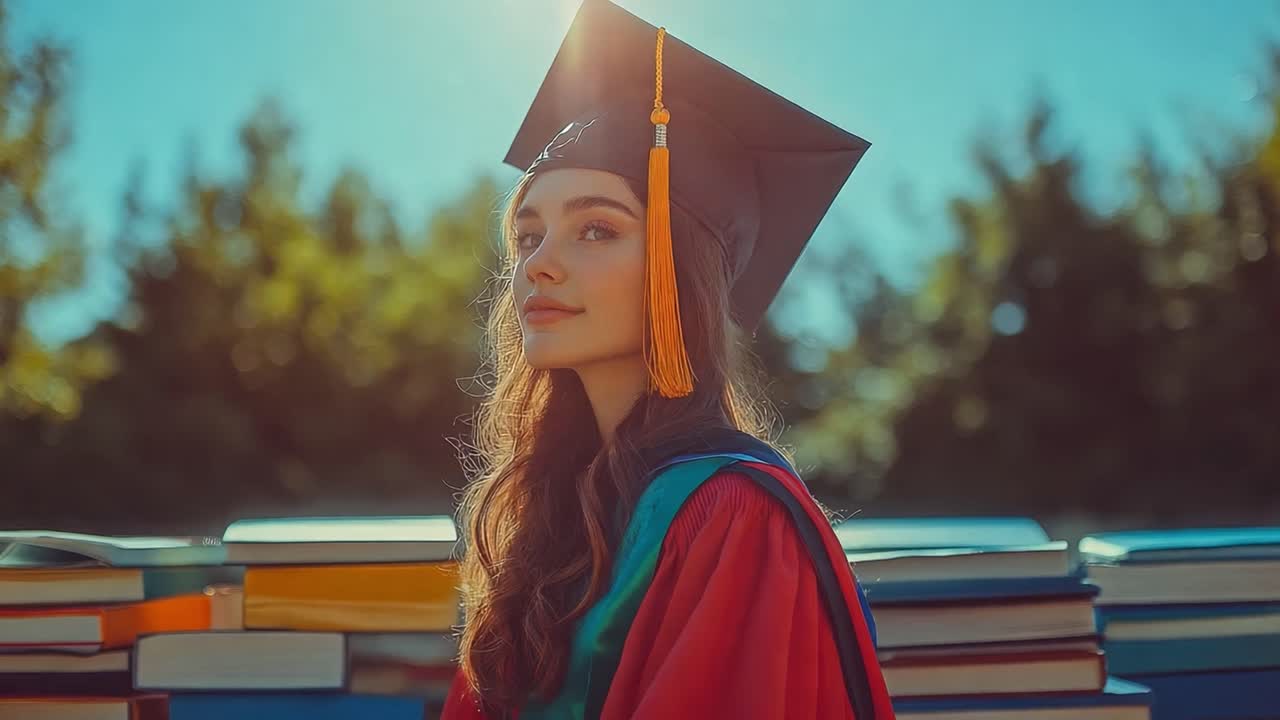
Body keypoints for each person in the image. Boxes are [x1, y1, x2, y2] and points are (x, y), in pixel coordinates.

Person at [442, 1, 894, 718]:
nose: (540, 266)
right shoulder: (547, 510)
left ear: (678, 271)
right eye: (529, 236)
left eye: (595, 229)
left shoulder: (733, 513)